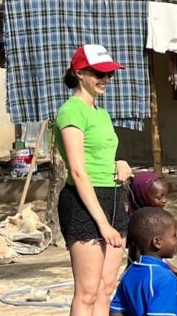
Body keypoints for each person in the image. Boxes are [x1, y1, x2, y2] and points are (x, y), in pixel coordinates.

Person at [55, 44, 133, 316]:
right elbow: (78, 171)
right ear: (79, 73)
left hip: (111, 197)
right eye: (98, 73)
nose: (105, 79)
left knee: (106, 287)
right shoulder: (71, 111)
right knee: (87, 291)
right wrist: (102, 223)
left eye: (109, 74)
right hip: (83, 202)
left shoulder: (101, 114)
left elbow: (99, 156)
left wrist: (119, 163)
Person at [109, 207, 177, 316]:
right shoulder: (166, 278)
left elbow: (115, 310)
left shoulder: (129, 272)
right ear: (157, 242)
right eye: (174, 235)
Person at [127, 172, 177, 283]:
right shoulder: (140, 224)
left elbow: (152, 254)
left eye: (165, 195)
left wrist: (169, 266)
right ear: (141, 196)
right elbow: (141, 257)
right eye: (159, 197)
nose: (164, 200)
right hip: (144, 278)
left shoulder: (153, 218)